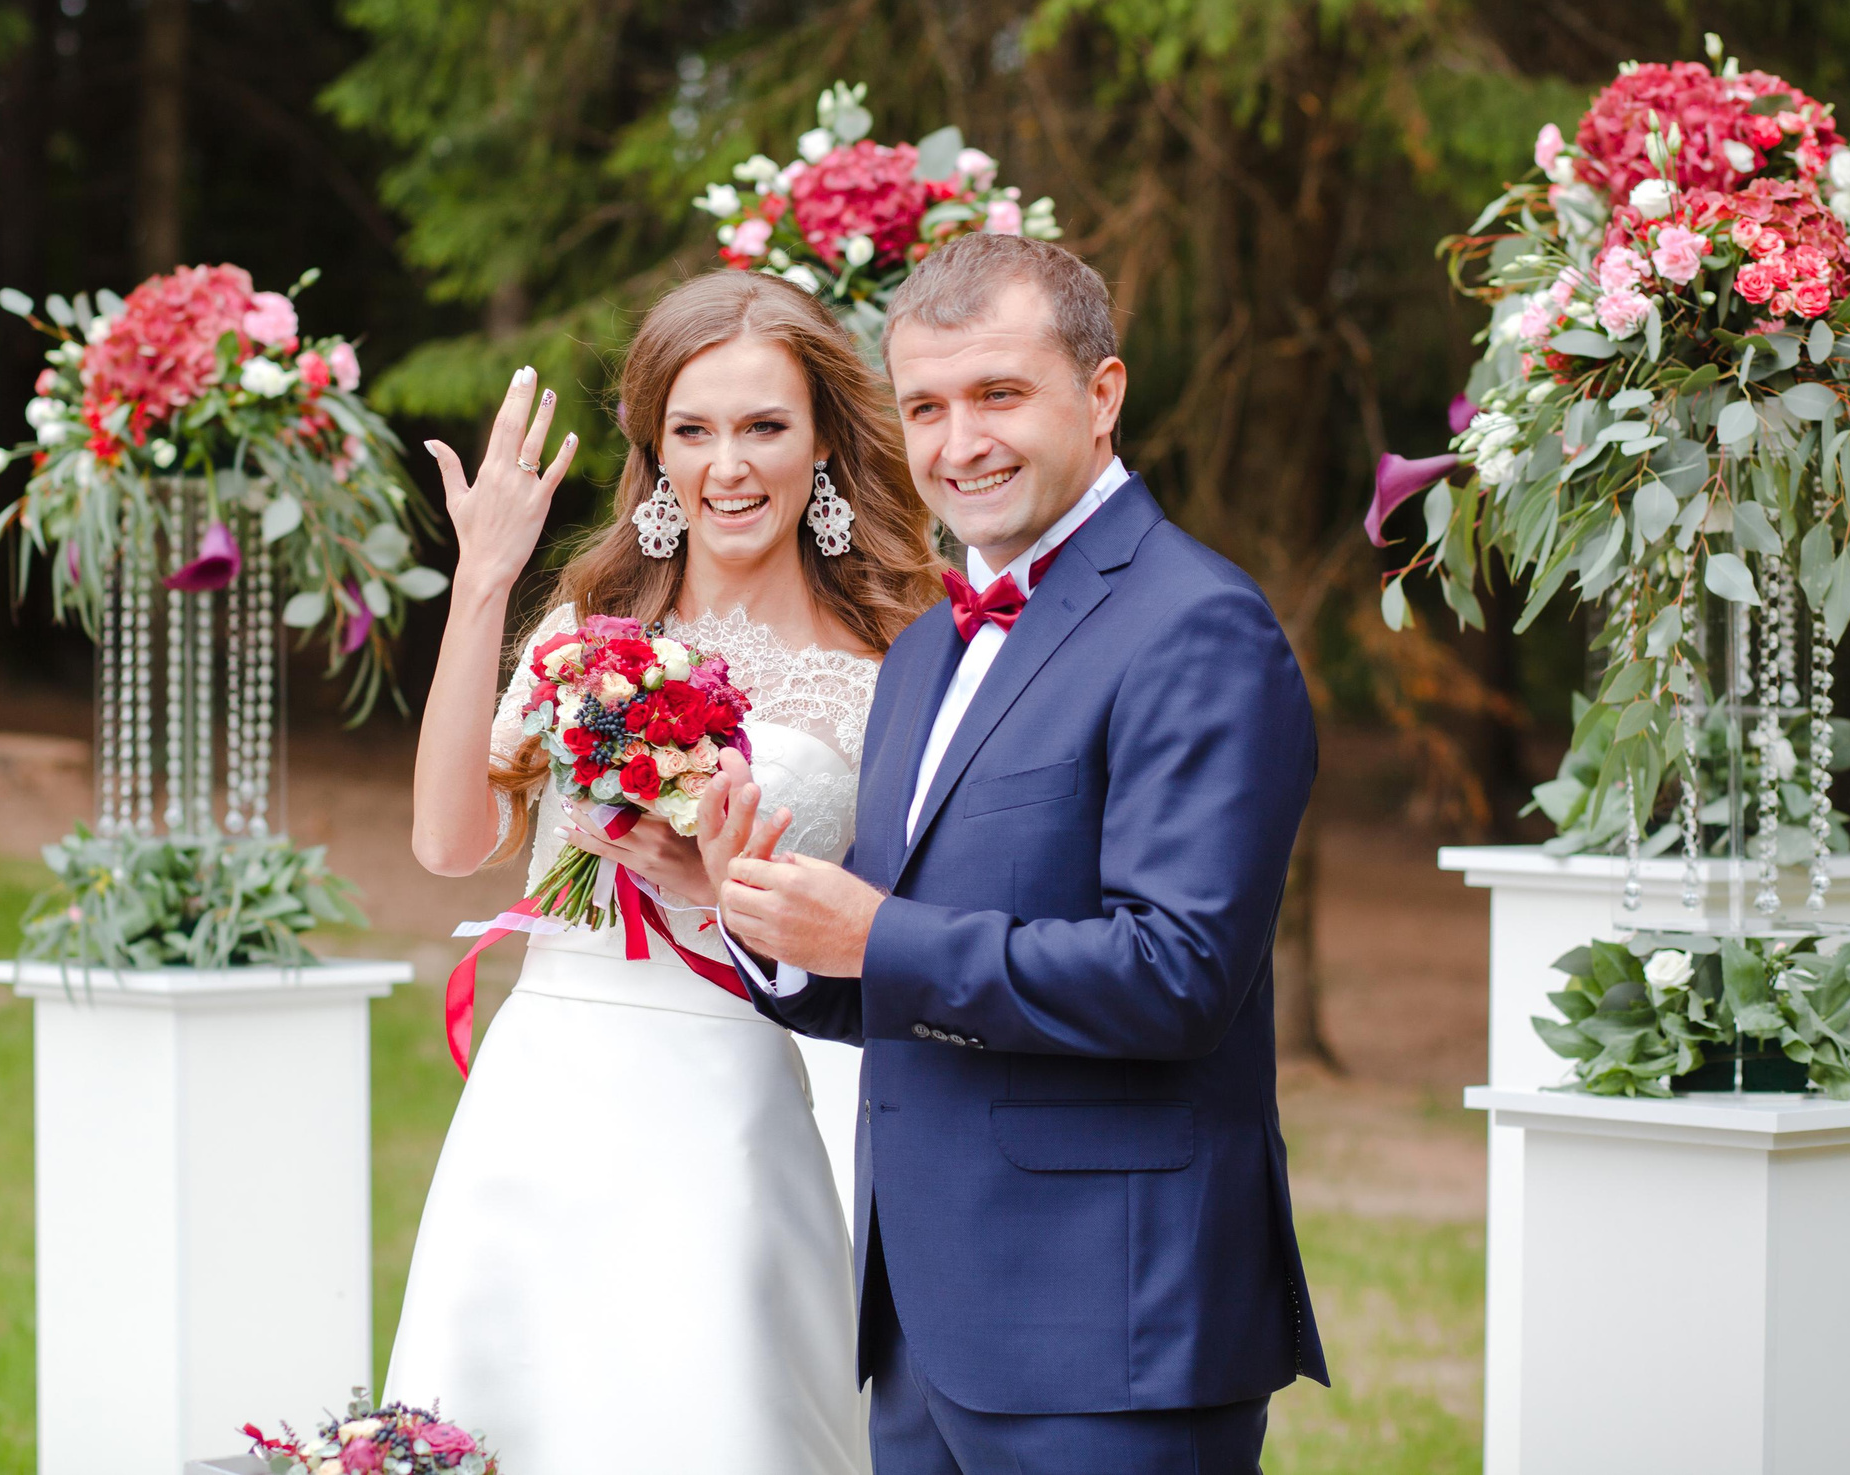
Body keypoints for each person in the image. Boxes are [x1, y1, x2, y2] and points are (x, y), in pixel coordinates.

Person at [708, 232, 1327, 1475]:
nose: (958, 443)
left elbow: (1176, 974)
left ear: (1100, 398)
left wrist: (871, 933)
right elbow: (899, 977)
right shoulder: (928, 650)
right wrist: (761, 918)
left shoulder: (1197, 623)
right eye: (925, 406)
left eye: (999, 394)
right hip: (924, 1329)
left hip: (1112, 1331)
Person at [387, 270, 943, 1475]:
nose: (726, 467)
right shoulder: (587, 624)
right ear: (654, 451)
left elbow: (899, 919)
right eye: (691, 431)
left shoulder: (894, 663)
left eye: (763, 427)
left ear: (824, 446)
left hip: (729, 1102)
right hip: (542, 1090)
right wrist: (485, 580)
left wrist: (724, 888)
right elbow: (448, 844)